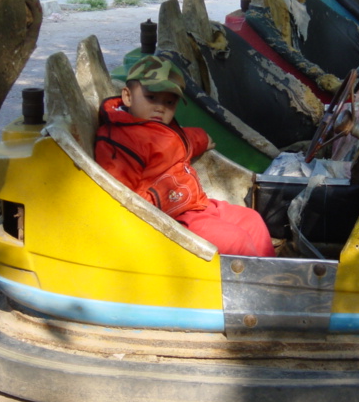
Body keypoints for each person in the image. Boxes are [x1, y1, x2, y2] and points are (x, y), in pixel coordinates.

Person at [95, 55, 276, 257]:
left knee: (251, 219)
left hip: (197, 206)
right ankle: (245, 285)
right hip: (170, 221)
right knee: (235, 240)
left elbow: (180, 142)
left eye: (169, 102)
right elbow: (117, 196)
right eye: (151, 97)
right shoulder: (119, 141)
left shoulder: (161, 128)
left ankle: (273, 277)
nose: (160, 107)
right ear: (128, 96)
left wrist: (202, 138)